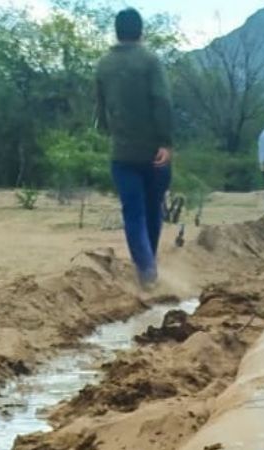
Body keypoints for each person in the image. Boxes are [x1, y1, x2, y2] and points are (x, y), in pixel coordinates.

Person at [96, 8, 173, 289]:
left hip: (122, 154)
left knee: (133, 213)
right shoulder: (150, 61)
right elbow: (162, 102)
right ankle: (148, 267)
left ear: (117, 31)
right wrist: (166, 142)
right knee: (153, 210)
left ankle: (145, 269)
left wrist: (115, 132)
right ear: (140, 31)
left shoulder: (103, 65)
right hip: (154, 152)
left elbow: (101, 112)